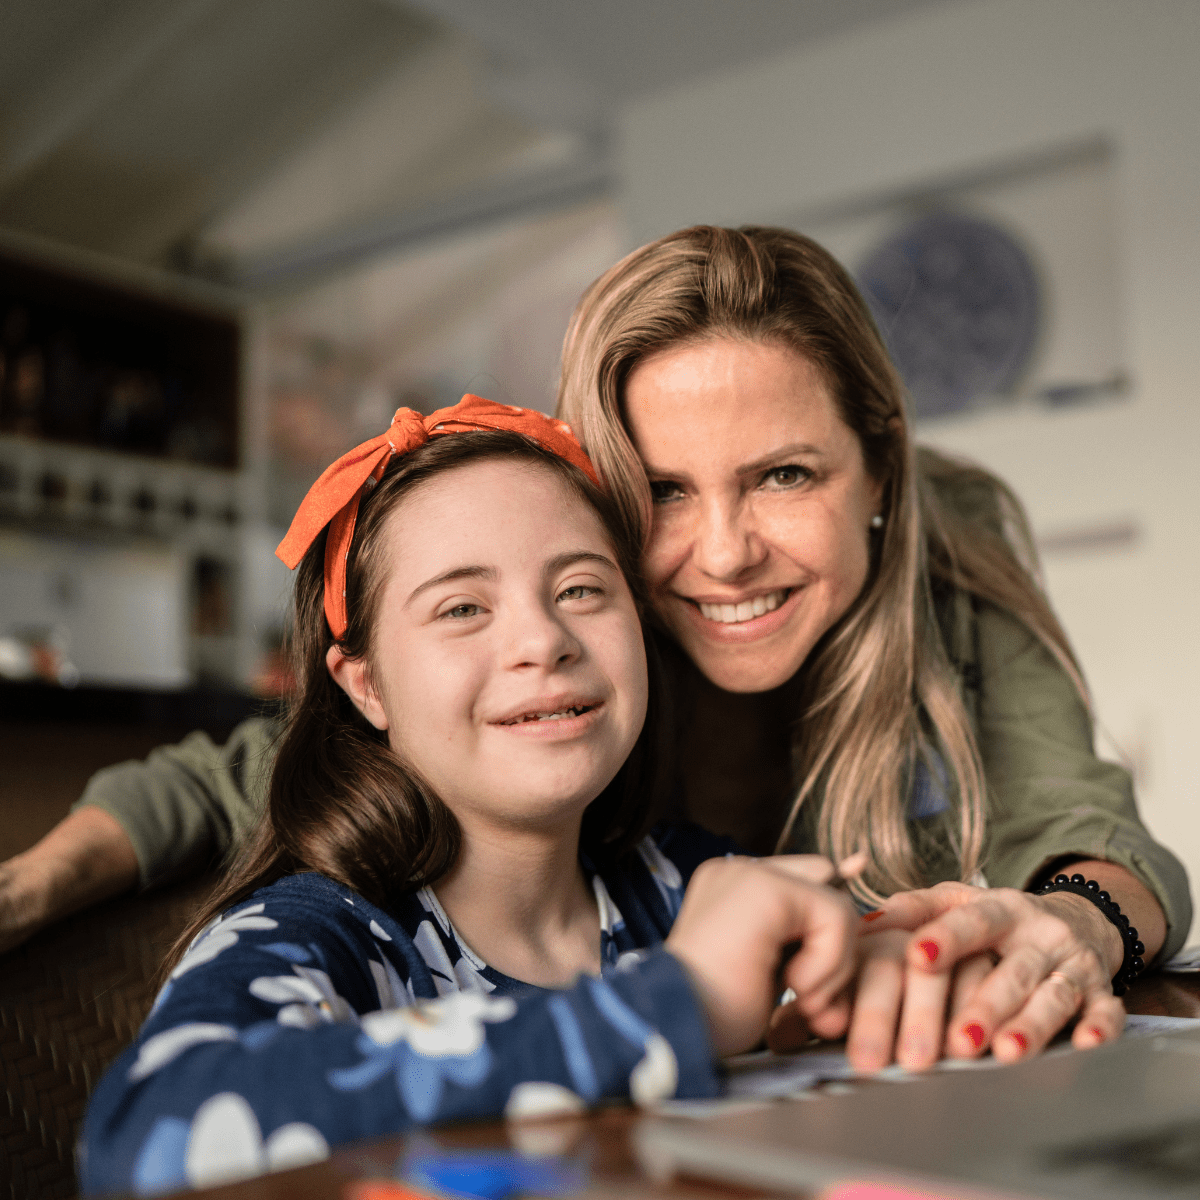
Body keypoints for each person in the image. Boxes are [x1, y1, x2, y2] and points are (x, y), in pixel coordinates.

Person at [5, 227, 1191, 1070]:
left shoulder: (945, 560)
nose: (723, 555)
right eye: (665, 491)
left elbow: (1083, 823)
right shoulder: (572, 635)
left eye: (785, 475)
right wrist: (43, 879)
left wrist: (1075, 923)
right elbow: (254, 770)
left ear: (879, 471)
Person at [81, 396, 861, 1196]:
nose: (542, 641)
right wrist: (669, 1007)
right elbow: (145, 1134)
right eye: (462, 608)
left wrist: (934, 964)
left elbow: (869, 984)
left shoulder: (693, 886)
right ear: (367, 685)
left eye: (582, 590)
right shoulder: (328, 939)